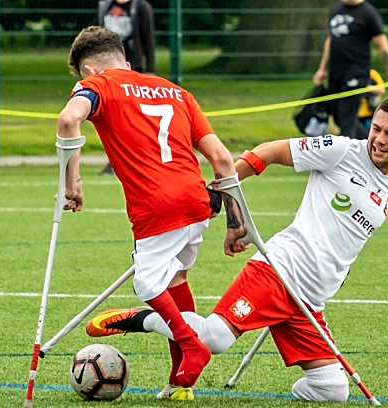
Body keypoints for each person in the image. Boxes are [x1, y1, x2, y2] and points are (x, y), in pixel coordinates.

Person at [86, 95, 388, 402]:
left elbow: (347, 235)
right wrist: (220, 196)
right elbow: (267, 153)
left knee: (331, 391)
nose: (378, 139)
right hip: (279, 270)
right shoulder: (341, 150)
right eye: (376, 128)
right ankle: (141, 319)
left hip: (310, 299)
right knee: (214, 340)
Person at [58, 26, 248, 401]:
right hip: (197, 203)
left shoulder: (98, 86)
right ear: (127, 62)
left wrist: (72, 181)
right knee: (176, 281)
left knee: (147, 284)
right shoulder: (175, 92)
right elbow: (223, 159)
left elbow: (68, 121)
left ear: (89, 70)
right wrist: (235, 221)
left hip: (156, 206)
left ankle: (192, 346)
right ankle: (180, 384)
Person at [313, 0, 388, 140]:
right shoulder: (336, 9)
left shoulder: (368, 13)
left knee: (346, 118)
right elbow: (331, 40)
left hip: (356, 72)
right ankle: (371, 145)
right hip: (336, 72)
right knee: (338, 117)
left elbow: (383, 45)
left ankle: (346, 158)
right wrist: (322, 69)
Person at [97, 0, 156, 175]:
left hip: (133, 70)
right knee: (112, 117)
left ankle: (141, 158)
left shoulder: (140, 7)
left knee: (134, 118)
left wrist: (150, 70)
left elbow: (148, 38)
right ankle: (114, 160)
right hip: (108, 71)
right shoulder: (105, 6)